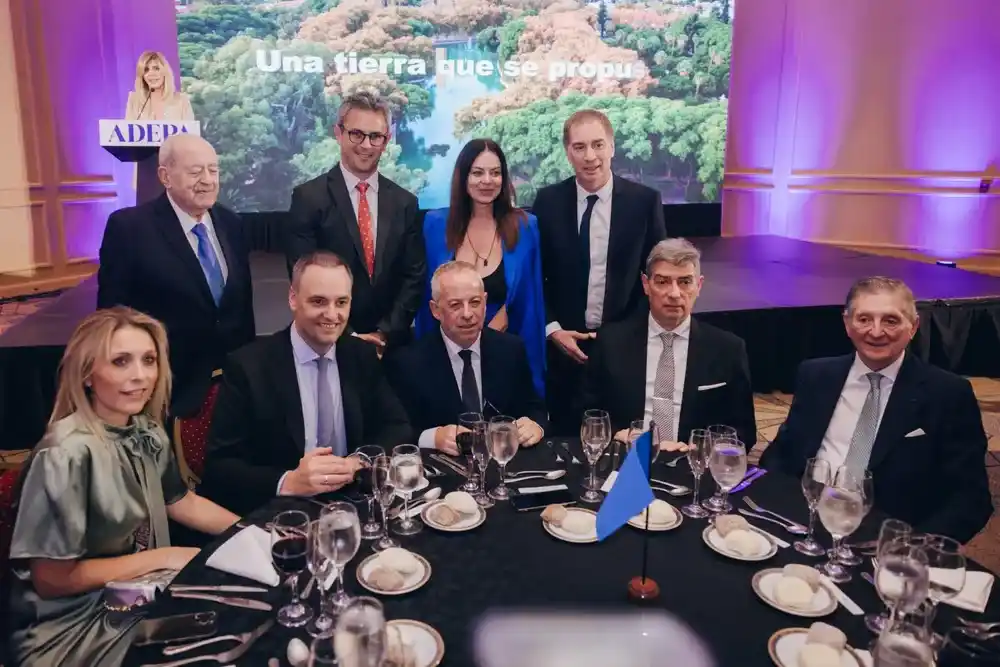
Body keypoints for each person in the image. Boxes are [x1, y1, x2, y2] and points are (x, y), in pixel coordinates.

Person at [5, 307, 240, 667]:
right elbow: (51, 579)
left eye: (149, 360)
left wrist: (251, 532)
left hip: (129, 596)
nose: (141, 376)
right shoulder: (65, 454)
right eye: (120, 362)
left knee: (236, 624)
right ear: (87, 374)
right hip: (68, 626)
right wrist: (162, 557)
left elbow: (181, 502)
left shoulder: (145, 431)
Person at [761, 277, 993, 543]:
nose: (876, 331)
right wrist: (775, 505)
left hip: (886, 540)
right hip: (804, 521)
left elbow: (970, 498)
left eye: (891, 321)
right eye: (864, 319)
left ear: (913, 326)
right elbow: (783, 452)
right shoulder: (815, 375)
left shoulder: (948, 394)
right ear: (847, 324)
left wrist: (915, 547)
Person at [201, 251, 411, 515]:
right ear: (293, 299)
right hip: (284, 514)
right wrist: (288, 481)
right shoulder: (248, 366)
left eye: (342, 302)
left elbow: (398, 426)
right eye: (319, 301)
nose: (332, 315)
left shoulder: (360, 354)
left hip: (355, 503)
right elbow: (220, 466)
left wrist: (359, 461)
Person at [97, 134, 256, 418]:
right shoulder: (130, 229)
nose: (208, 180)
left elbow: (242, 308)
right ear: (165, 176)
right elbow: (112, 317)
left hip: (233, 386)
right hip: (166, 391)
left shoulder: (231, 223)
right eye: (195, 172)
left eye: (213, 170)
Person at [534, 109, 666, 434]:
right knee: (564, 439)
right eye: (579, 147)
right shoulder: (548, 201)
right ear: (568, 152)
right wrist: (553, 329)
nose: (590, 156)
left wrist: (626, 336)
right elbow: (537, 276)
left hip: (622, 347)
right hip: (563, 346)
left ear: (612, 147)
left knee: (619, 440)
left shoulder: (644, 202)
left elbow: (655, 278)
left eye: (598, 145)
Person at [284, 92, 426, 354]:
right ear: (338, 133)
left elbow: (413, 277)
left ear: (386, 141)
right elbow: (303, 276)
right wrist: (350, 337)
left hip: (391, 349)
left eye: (376, 137)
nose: (366, 145)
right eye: (357, 134)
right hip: (328, 345)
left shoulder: (405, 203)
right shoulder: (308, 199)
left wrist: (384, 334)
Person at [582, 239, 756, 450]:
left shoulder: (728, 349)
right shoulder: (611, 342)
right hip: (628, 460)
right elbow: (586, 414)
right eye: (663, 282)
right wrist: (617, 433)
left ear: (699, 285)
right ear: (646, 285)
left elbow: (744, 432)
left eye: (684, 282)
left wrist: (702, 447)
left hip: (693, 466)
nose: (674, 294)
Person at [415, 139, 546, 397]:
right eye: (477, 172)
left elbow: (531, 297)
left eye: (495, 173)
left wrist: (496, 329)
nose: (487, 180)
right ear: (463, 176)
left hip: (506, 360)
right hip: (447, 359)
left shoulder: (526, 226)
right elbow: (425, 299)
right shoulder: (434, 225)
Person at [387, 261, 546, 453]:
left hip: (503, 466)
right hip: (444, 472)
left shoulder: (511, 350)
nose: (468, 314)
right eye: (455, 305)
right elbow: (395, 430)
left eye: (475, 302)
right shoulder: (408, 363)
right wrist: (433, 437)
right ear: (435, 310)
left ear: (485, 303)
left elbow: (534, 407)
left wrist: (535, 425)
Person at [125, 51, 194, 121]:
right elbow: (127, 131)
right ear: (142, 76)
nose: (151, 74)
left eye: (156, 68)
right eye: (146, 70)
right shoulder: (134, 100)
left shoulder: (182, 101)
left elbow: (191, 131)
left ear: (165, 72)